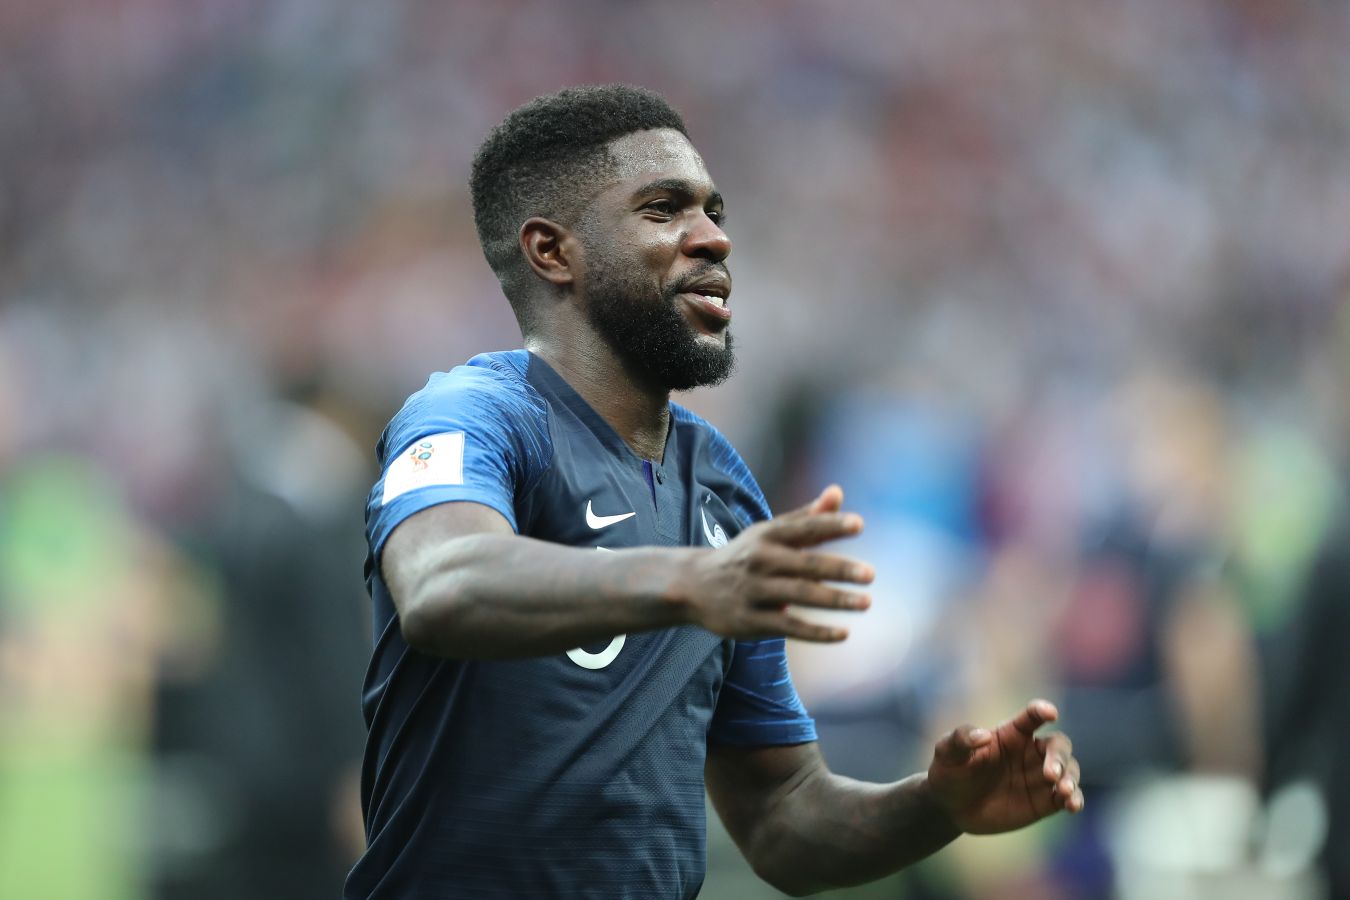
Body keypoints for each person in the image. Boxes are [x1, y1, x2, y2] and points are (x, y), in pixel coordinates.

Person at [345, 84, 1083, 899]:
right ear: (553, 252)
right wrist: (692, 580)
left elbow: (782, 817)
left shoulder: (720, 487)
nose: (714, 238)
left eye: (714, 210)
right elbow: (442, 586)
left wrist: (937, 806)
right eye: (664, 210)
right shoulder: (474, 416)